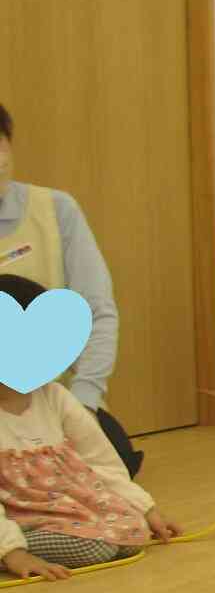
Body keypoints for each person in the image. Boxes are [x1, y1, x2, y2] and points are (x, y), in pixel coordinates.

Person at [0, 275, 179, 581]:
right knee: (94, 548)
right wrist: (12, 552)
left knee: (130, 531)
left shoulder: (54, 396)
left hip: (64, 509)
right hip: (17, 519)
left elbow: (101, 460)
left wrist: (146, 508)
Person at [0, 101, 140, 477]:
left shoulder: (56, 209)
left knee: (111, 464)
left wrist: (84, 403)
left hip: (50, 401)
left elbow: (97, 312)